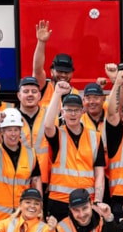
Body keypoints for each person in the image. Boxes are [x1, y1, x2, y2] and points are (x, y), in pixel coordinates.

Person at [41, 82, 106, 221]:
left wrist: (98, 201)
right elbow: (47, 125)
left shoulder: (95, 137)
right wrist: (57, 92)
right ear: (62, 113)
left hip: (86, 202)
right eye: (68, 110)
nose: (72, 114)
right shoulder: (57, 134)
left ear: (83, 112)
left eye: (76, 110)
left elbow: (99, 172)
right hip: (59, 201)